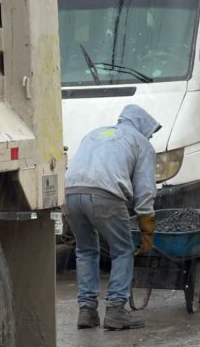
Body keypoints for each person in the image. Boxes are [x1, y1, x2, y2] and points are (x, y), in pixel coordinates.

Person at [64, 104, 160, 330]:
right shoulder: (141, 143)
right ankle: (116, 309)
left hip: (70, 194)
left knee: (85, 250)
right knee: (122, 250)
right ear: (143, 125)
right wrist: (147, 228)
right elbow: (145, 190)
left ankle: (87, 311)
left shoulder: (95, 134)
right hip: (105, 195)